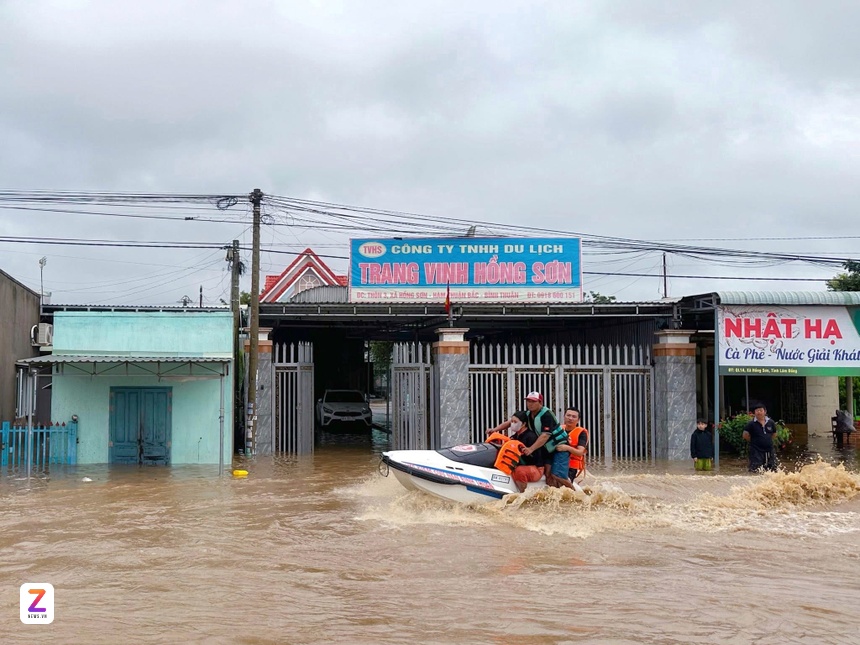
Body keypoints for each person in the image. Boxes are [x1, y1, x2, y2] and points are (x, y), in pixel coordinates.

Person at [519, 392, 572, 488]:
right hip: (547, 449)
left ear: (540, 402)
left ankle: (576, 495)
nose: (530, 404)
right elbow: (512, 421)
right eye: (528, 401)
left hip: (559, 447)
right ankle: (556, 497)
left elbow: (545, 436)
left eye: (533, 401)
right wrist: (495, 430)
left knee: (557, 475)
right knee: (548, 476)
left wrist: (531, 449)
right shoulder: (528, 414)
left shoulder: (546, 415)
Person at [487, 410, 545, 492]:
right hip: (521, 465)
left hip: (536, 468)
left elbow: (534, 458)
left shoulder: (531, 437)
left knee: (519, 471)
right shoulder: (515, 436)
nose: (512, 424)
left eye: (515, 422)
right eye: (512, 421)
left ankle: (522, 494)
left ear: (524, 424)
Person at [555, 407, 588, 483]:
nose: (570, 418)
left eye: (574, 417)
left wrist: (566, 448)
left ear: (578, 420)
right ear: (564, 417)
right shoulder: (558, 429)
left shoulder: (582, 433)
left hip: (571, 466)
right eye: (568, 415)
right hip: (556, 462)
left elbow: (580, 452)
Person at [743, 403, 777, 472]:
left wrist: (766, 440)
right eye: (757, 411)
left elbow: (774, 434)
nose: (759, 412)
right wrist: (755, 441)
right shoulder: (751, 424)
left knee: (772, 468)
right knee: (755, 468)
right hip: (756, 450)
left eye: (761, 410)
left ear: (765, 412)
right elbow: (745, 435)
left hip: (769, 449)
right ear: (754, 412)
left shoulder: (771, 422)